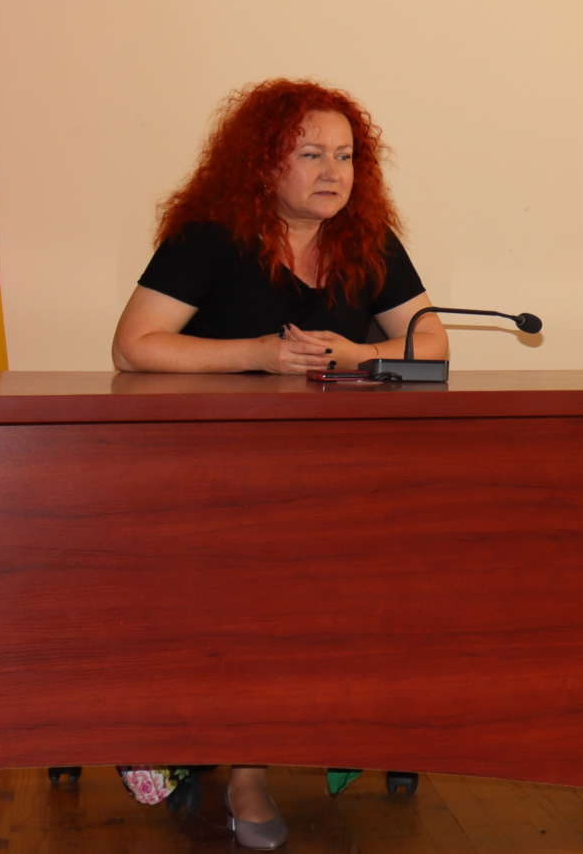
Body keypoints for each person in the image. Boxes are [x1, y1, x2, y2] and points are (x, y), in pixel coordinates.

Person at [109, 78, 446, 849]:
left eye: (346, 156)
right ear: (264, 163)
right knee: (260, 579)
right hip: (216, 475)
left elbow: (432, 352)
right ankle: (248, 770)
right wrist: (257, 355)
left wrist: (358, 355)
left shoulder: (367, 239)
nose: (334, 171)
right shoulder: (211, 238)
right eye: (311, 154)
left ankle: (367, 719)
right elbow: (133, 346)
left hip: (337, 475)